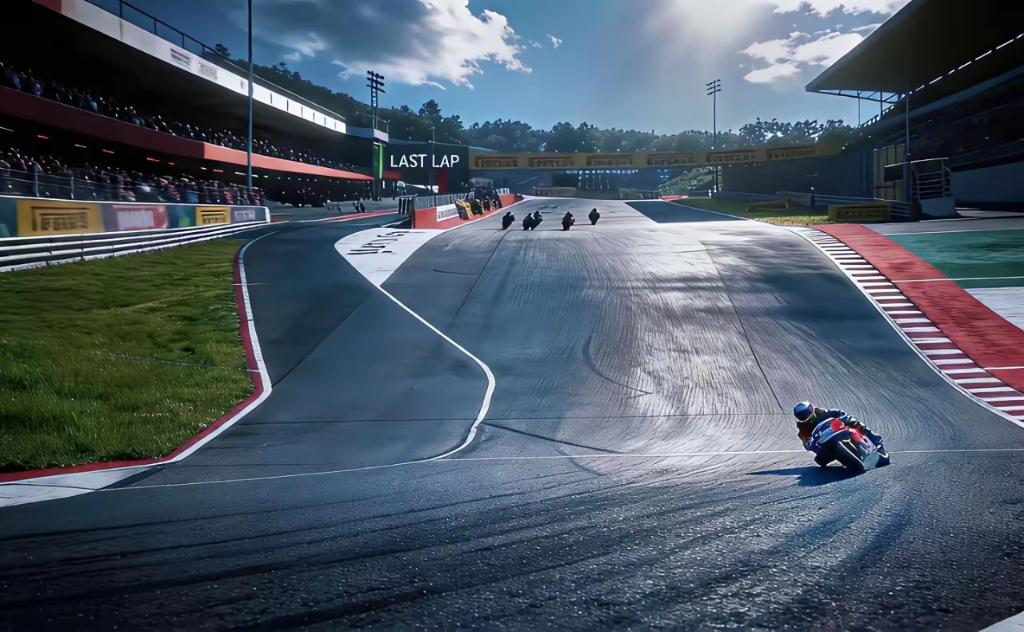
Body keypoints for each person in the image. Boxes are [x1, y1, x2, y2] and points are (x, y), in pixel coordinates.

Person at [793, 401, 888, 466]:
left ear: (812, 409)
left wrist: (843, 419)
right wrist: (810, 442)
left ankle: (876, 443)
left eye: (807, 412)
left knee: (855, 426)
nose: (805, 416)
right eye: (802, 416)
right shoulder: (803, 429)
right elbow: (807, 446)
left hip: (840, 432)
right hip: (825, 444)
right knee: (820, 461)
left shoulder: (827, 413)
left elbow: (845, 416)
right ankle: (845, 459)